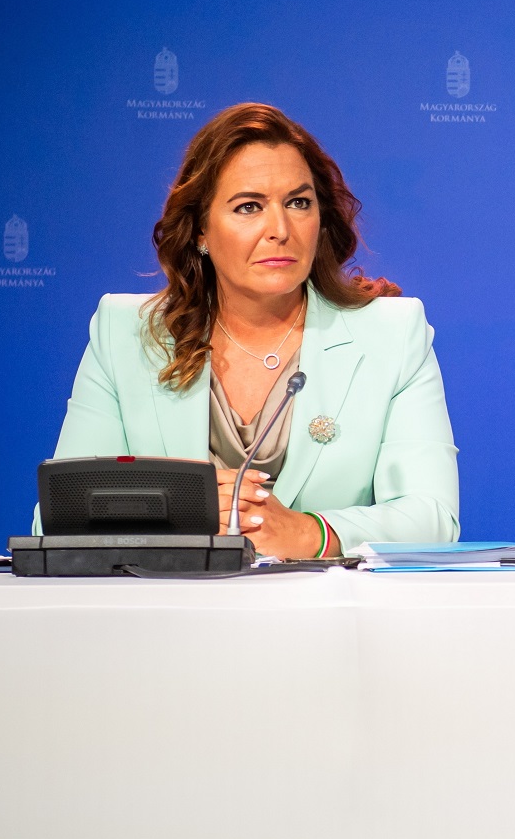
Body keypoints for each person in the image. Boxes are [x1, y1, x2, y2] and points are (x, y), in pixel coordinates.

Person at [43, 103, 459, 557]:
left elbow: (433, 518)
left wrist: (309, 532)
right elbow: (58, 515)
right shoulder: (125, 333)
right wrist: (184, 510)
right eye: (248, 207)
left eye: (298, 203)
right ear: (200, 230)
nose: (280, 229)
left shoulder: (393, 334)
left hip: (325, 600)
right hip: (170, 598)